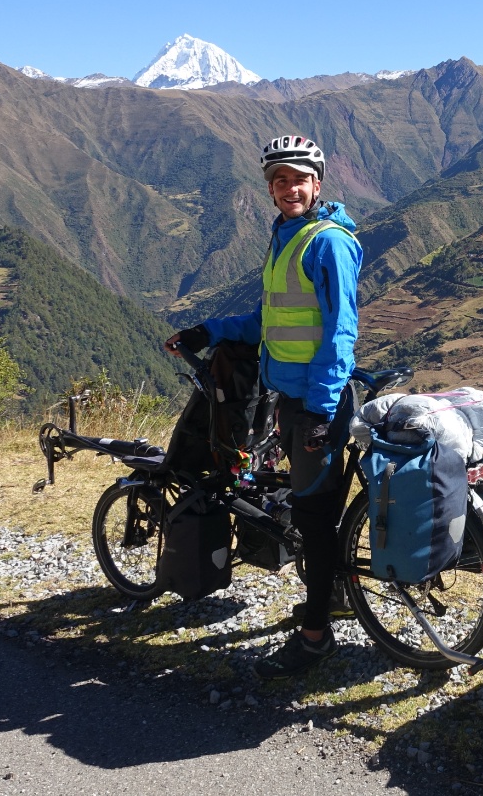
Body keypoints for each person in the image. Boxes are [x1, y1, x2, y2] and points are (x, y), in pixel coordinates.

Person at [166, 134, 362, 678]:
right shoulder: (286, 237)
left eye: (299, 179)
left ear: (317, 184)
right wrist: (210, 329)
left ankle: (316, 638)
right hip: (292, 397)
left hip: (316, 402)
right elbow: (269, 320)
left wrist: (320, 411)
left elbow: (340, 333)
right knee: (315, 510)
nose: (289, 188)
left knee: (314, 520)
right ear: (270, 188)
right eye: (279, 180)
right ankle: (338, 595)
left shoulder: (328, 244)